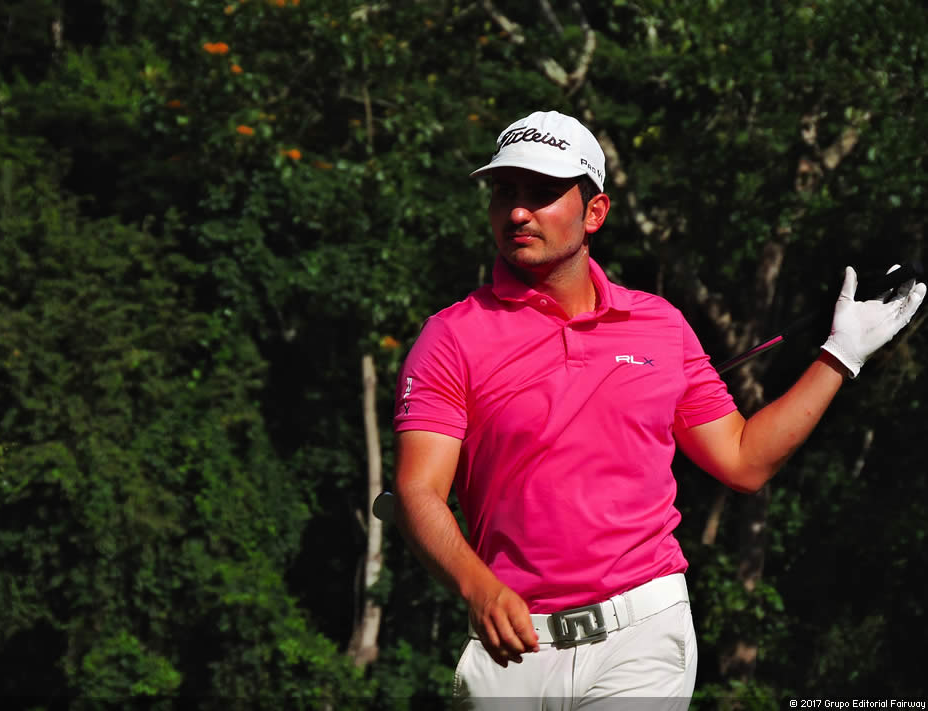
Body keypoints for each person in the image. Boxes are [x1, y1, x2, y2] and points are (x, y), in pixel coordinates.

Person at [391, 110, 925, 708]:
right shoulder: (451, 337)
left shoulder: (660, 325)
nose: (517, 212)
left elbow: (743, 460)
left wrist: (839, 356)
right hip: (511, 645)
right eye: (504, 192)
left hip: (642, 632)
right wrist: (478, 588)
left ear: (595, 212)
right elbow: (418, 490)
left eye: (541, 193)